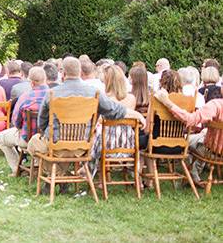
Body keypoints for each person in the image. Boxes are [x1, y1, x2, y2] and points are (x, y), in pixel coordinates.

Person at [28, 57, 145, 185]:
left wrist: (47, 133)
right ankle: (62, 177)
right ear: (80, 72)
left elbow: (41, 122)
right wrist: (137, 114)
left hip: (56, 144)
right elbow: (114, 110)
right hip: (83, 145)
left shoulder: (52, 93)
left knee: (33, 143)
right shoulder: (94, 92)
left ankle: (59, 176)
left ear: (63, 74)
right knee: (58, 149)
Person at [154, 87, 223, 185]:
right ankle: (194, 172)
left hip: (213, 152)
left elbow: (190, 120)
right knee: (202, 138)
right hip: (215, 148)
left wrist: (167, 102)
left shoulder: (216, 105)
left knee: (185, 140)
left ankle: (192, 174)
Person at [0, 66, 49, 174]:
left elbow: (15, 120)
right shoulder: (54, 96)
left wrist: (20, 128)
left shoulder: (25, 97)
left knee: (0, 137)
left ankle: (16, 169)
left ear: (32, 83)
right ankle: (37, 165)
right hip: (48, 139)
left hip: (27, 139)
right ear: (46, 80)